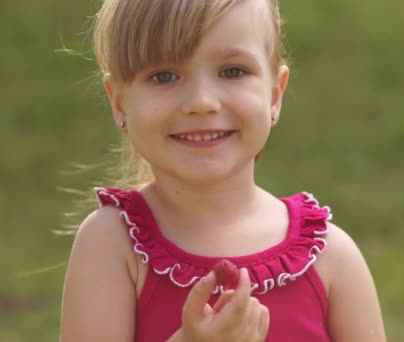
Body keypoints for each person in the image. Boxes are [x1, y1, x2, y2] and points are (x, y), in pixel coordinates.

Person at [60, 0, 386, 341]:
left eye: (232, 71)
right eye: (164, 76)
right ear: (119, 103)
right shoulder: (111, 244)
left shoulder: (332, 258)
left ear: (275, 95)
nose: (202, 102)